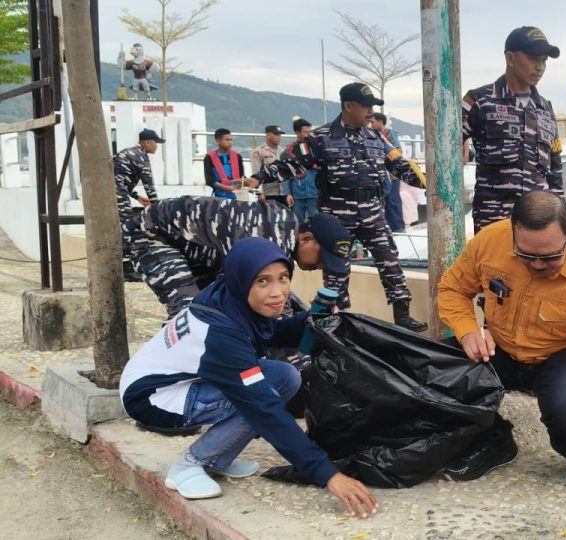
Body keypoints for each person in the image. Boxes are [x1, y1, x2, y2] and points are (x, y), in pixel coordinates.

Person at [118, 238, 377, 516]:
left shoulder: (232, 296)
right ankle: (190, 465)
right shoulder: (221, 335)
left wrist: (311, 320)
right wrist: (327, 474)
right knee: (261, 400)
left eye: (283, 278)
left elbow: (272, 333)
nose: (278, 292)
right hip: (151, 397)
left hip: (178, 379)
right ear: (244, 280)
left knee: (285, 376)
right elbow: (263, 409)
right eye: (263, 282)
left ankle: (218, 458)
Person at [437, 191, 566, 481]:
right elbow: (452, 289)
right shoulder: (489, 241)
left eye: (550, 256)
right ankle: (494, 441)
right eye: (526, 255)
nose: (538, 265)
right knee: (435, 376)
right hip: (499, 348)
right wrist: (467, 331)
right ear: (512, 229)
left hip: (561, 358)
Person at [250, 82, 428, 331]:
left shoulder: (376, 137)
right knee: (336, 275)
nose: (370, 111)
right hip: (337, 217)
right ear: (348, 106)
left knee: (390, 262)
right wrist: (259, 177)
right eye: (365, 106)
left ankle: (403, 316)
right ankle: (335, 323)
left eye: (372, 106)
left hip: (373, 214)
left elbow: (400, 166)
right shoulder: (320, 138)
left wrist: (429, 182)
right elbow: (289, 165)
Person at [123, 196, 351, 319]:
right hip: (152, 235)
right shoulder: (271, 235)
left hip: (198, 250)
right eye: (322, 259)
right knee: (191, 315)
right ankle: (173, 382)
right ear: (306, 239)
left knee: (215, 311)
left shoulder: (285, 234)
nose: (320, 267)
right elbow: (265, 305)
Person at [462, 26, 564, 232]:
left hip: (539, 221)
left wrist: (562, 218)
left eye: (544, 60)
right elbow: (447, 147)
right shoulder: (479, 101)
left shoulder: (545, 109)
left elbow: (555, 169)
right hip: (494, 219)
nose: (540, 66)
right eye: (533, 58)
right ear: (510, 58)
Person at [113, 128, 164, 222]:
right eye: (155, 142)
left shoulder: (126, 152)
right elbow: (149, 186)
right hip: (119, 195)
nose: (157, 146)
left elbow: (119, 179)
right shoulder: (141, 158)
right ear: (148, 143)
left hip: (107, 193)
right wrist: (157, 208)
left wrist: (136, 196)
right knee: (127, 223)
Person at [369, 113, 406, 232]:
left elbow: (398, 150)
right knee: (385, 200)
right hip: (382, 174)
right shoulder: (374, 135)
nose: (371, 124)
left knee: (393, 200)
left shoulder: (388, 134)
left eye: (373, 121)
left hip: (392, 174)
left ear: (380, 122)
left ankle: (398, 226)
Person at [284, 118, 320, 225]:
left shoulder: (315, 149)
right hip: (297, 194)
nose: (308, 135)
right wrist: (288, 194)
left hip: (314, 193)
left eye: (310, 132)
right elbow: (285, 174)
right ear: (297, 133)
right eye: (305, 132)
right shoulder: (288, 152)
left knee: (316, 222)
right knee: (298, 223)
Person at [251, 125, 290, 207]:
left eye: (280, 135)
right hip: (268, 193)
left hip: (284, 193)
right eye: (276, 134)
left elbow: (287, 174)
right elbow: (255, 173)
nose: (279, 137)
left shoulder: (283, 151)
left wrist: (289, 193)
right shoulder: (258, 152)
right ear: (268, 135)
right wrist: (259, 193)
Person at [203, 129, 248, 200]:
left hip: (238, 195)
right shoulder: (209, 157)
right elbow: (209, 180)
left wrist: (237, 187)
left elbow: (242, 176)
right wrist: (227, 188)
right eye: (227, 140)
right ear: (218, 141)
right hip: (219, 196)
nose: (230, 142)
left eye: (231, 140)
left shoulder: (237, 156)